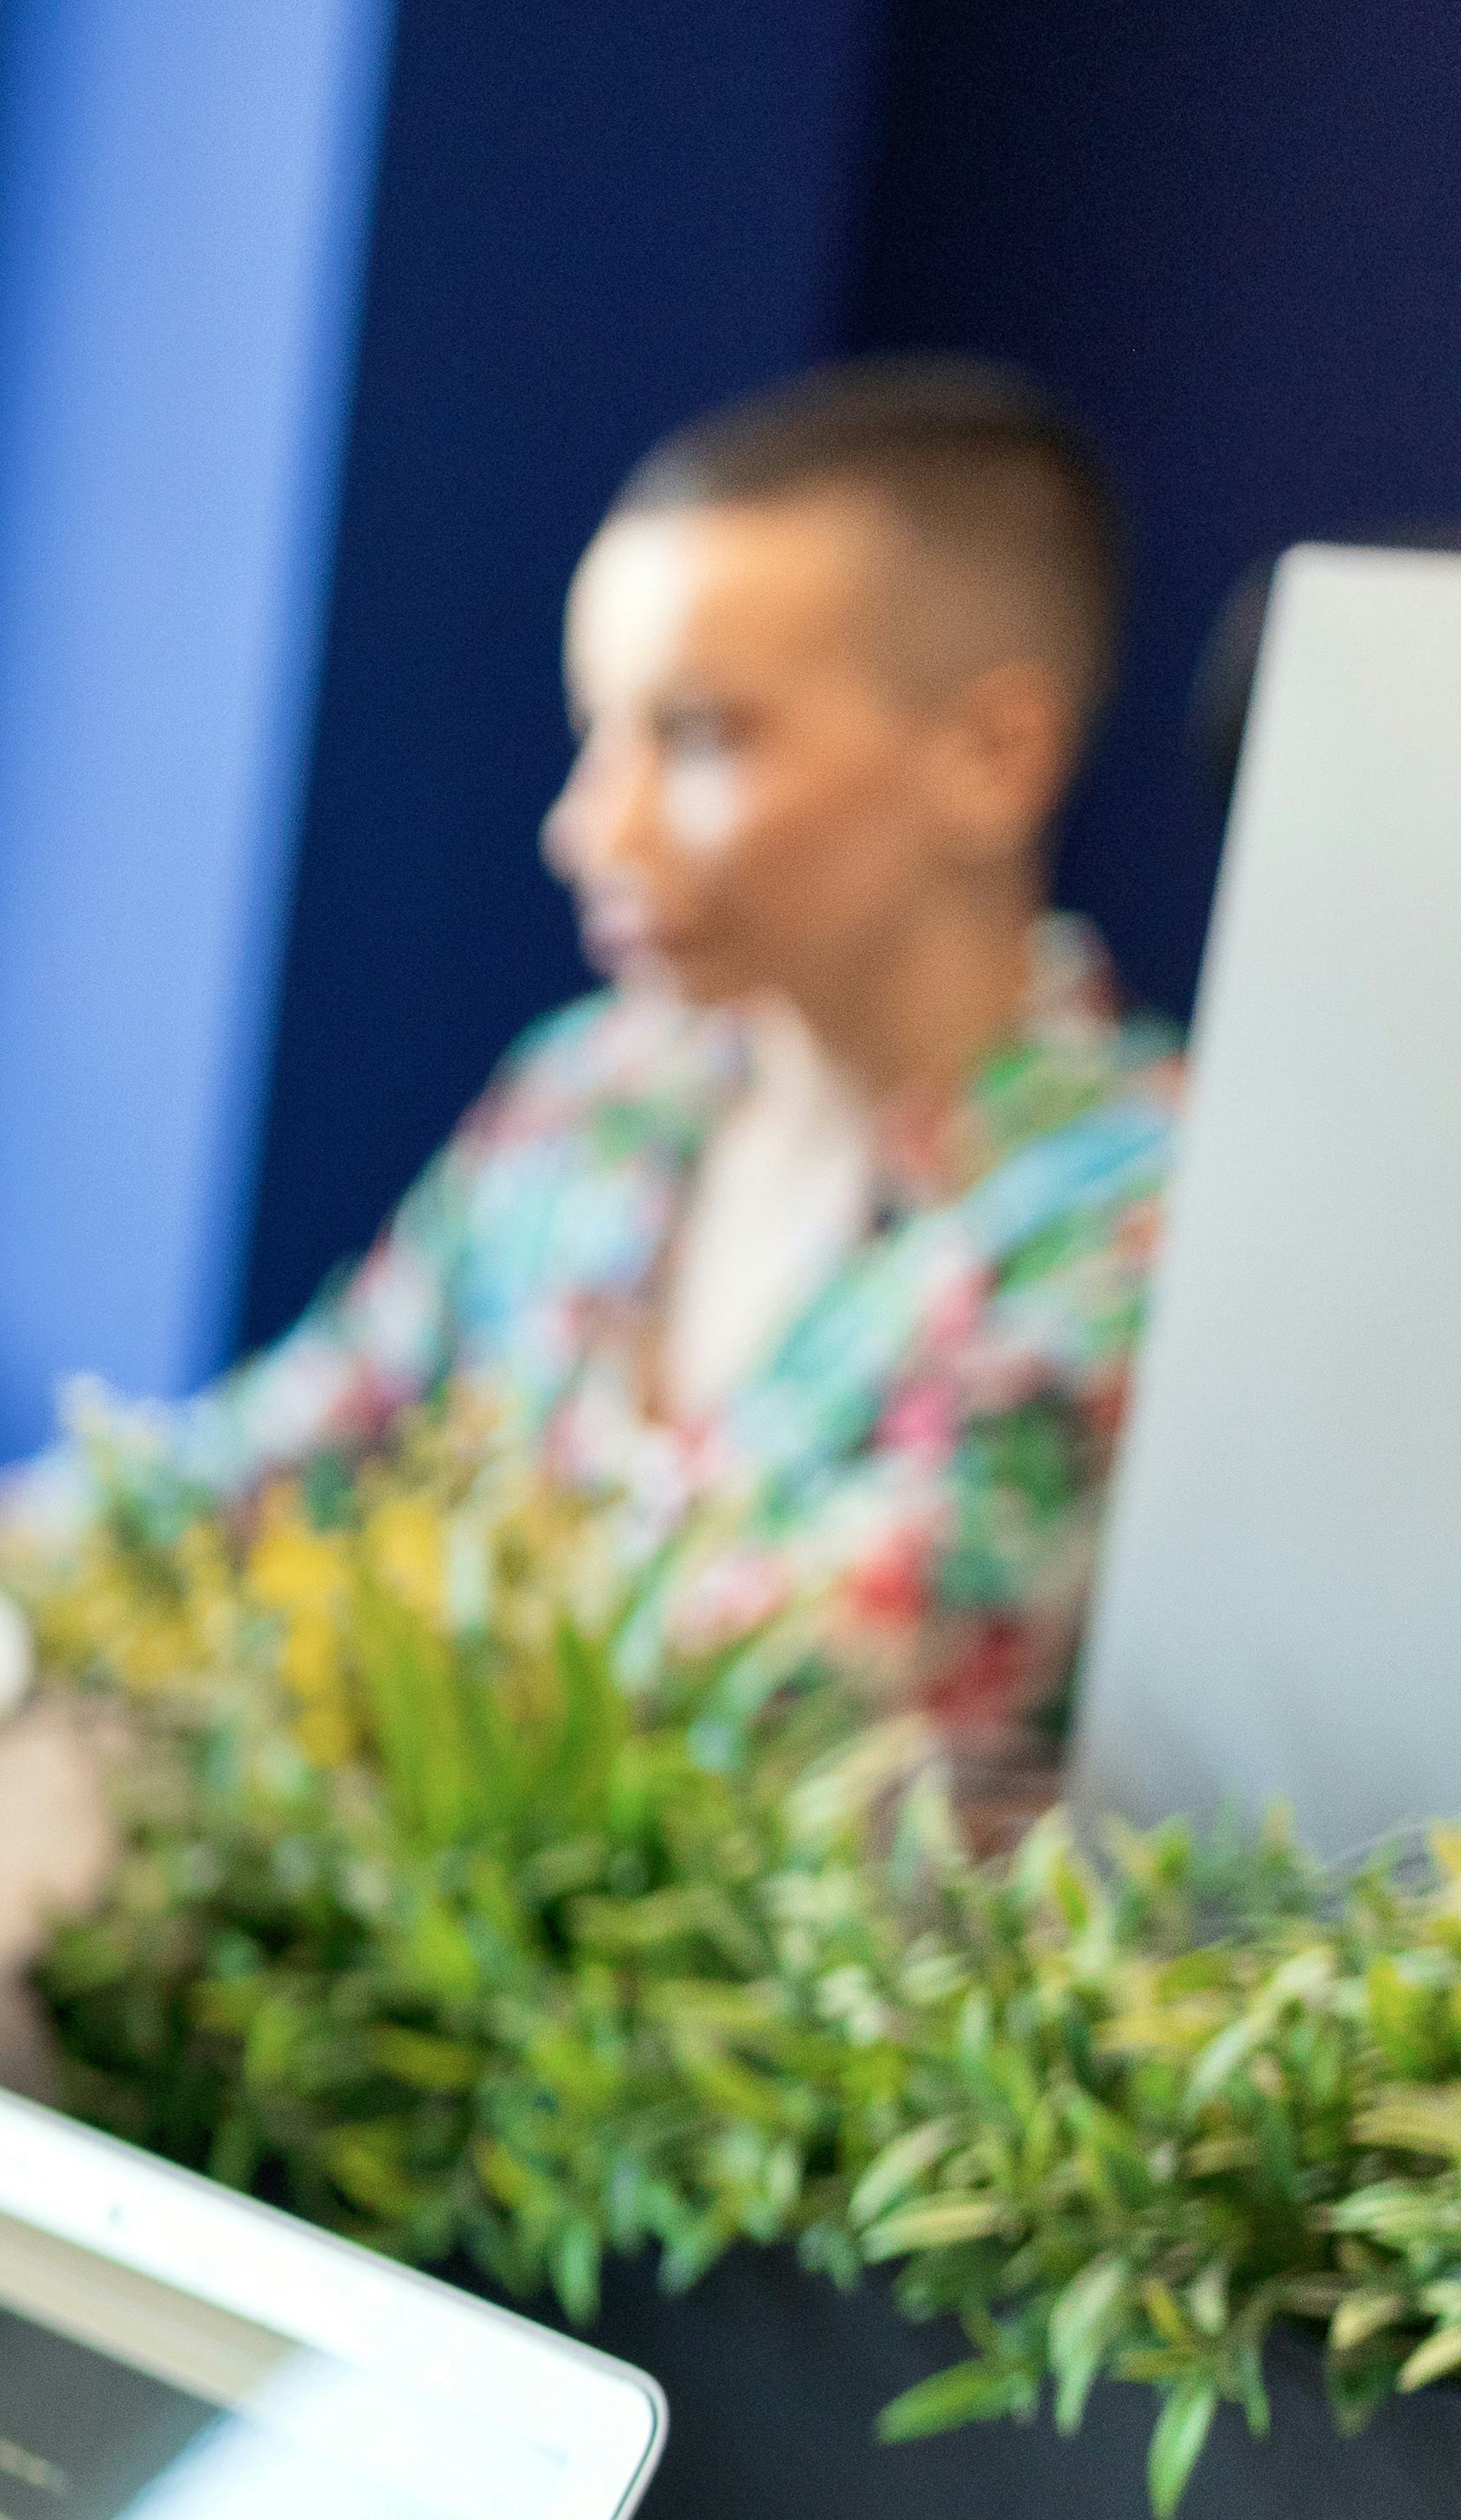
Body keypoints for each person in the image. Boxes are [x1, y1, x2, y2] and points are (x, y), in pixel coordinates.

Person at [137, 356, 1181, 1767]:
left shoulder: (1139, 1225)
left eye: (695, 737)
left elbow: (736, 1712)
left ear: (993, 757)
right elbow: (249, 1476)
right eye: (596, 736)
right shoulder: (593, 1096)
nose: (590, 832)